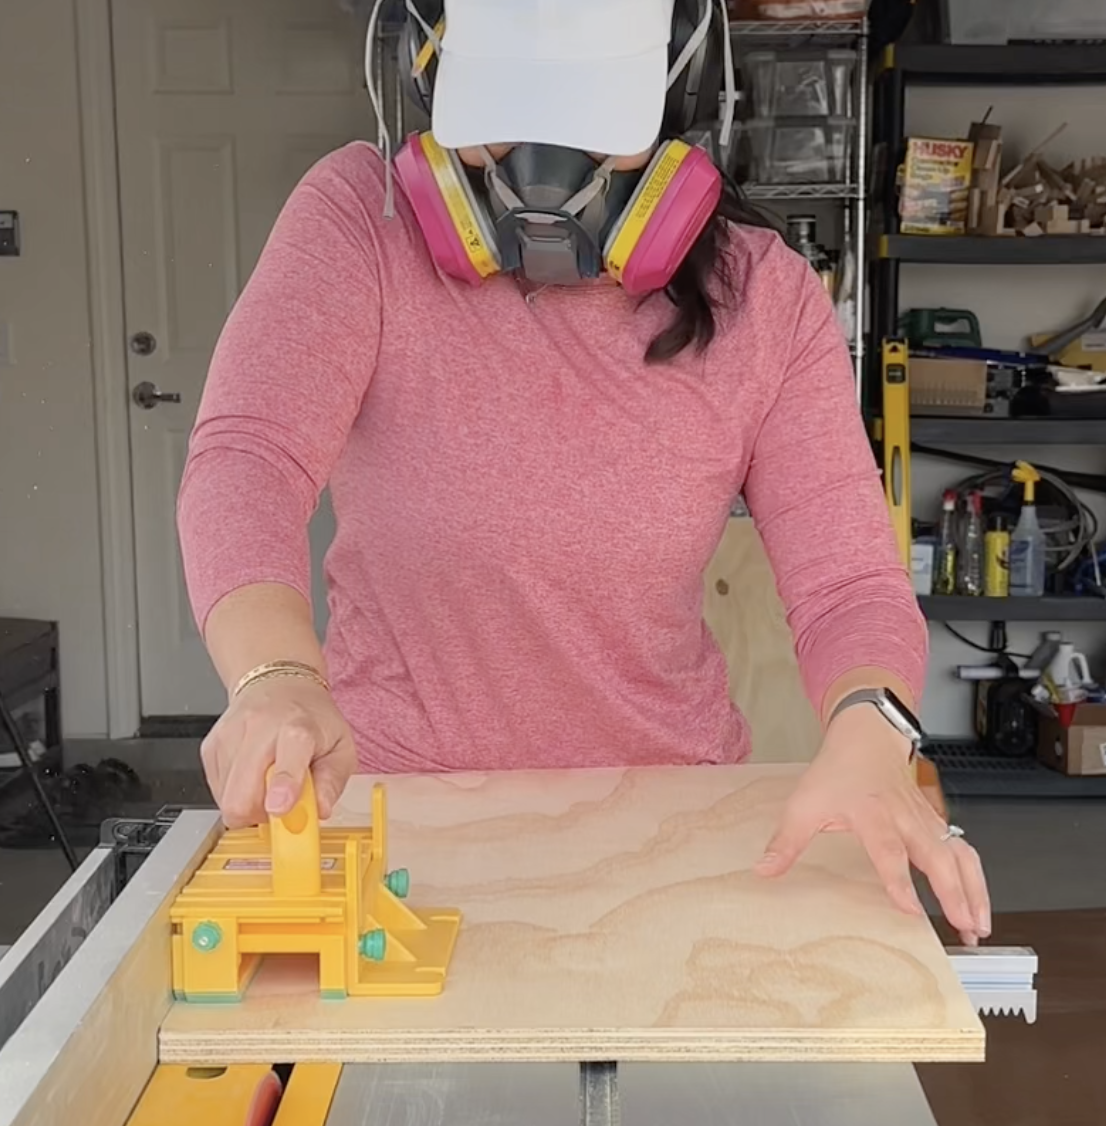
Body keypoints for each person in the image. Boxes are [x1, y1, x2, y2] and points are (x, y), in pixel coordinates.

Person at [177, 0, 990, 945]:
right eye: (501, 128)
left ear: (676, 93)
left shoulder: (763, 296)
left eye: (589, 135)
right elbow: (250, 455)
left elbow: (846, 579)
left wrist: (869, 729)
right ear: (427, 70)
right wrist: (273, 675)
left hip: (673, 823)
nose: (540, 178)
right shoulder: (363, 223)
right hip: (400, 827)